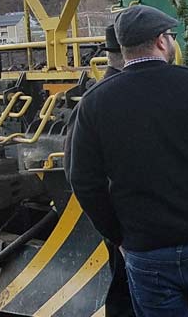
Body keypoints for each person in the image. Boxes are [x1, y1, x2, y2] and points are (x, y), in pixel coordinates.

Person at [68, 5, 188, 317]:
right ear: (161, 41)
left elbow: (83, 180)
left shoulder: (95, 103)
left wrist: (117, 235)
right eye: (171, 36)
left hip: (146, 249)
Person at [65, 24, 133, 316]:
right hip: (130, 224)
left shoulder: (93, 99)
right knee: (125, 292)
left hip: (120, 223)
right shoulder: (109, 99)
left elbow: (76, 173)